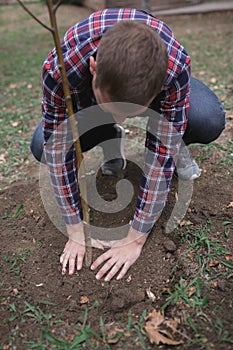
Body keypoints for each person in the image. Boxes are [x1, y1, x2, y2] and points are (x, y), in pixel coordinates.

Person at [30, 8, 225, 282]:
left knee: (207, 118)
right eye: (113, 109)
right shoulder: (61, 68)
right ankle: (111, 140)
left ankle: (180, 140)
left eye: (130, 113)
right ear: (94, 68)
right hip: (85, 96)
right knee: (42, 145)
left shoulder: (174, 66)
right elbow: (58, 148)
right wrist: (75, 231)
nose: (121, 118)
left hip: (153, 92)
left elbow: (160, 157)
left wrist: (134, 240)